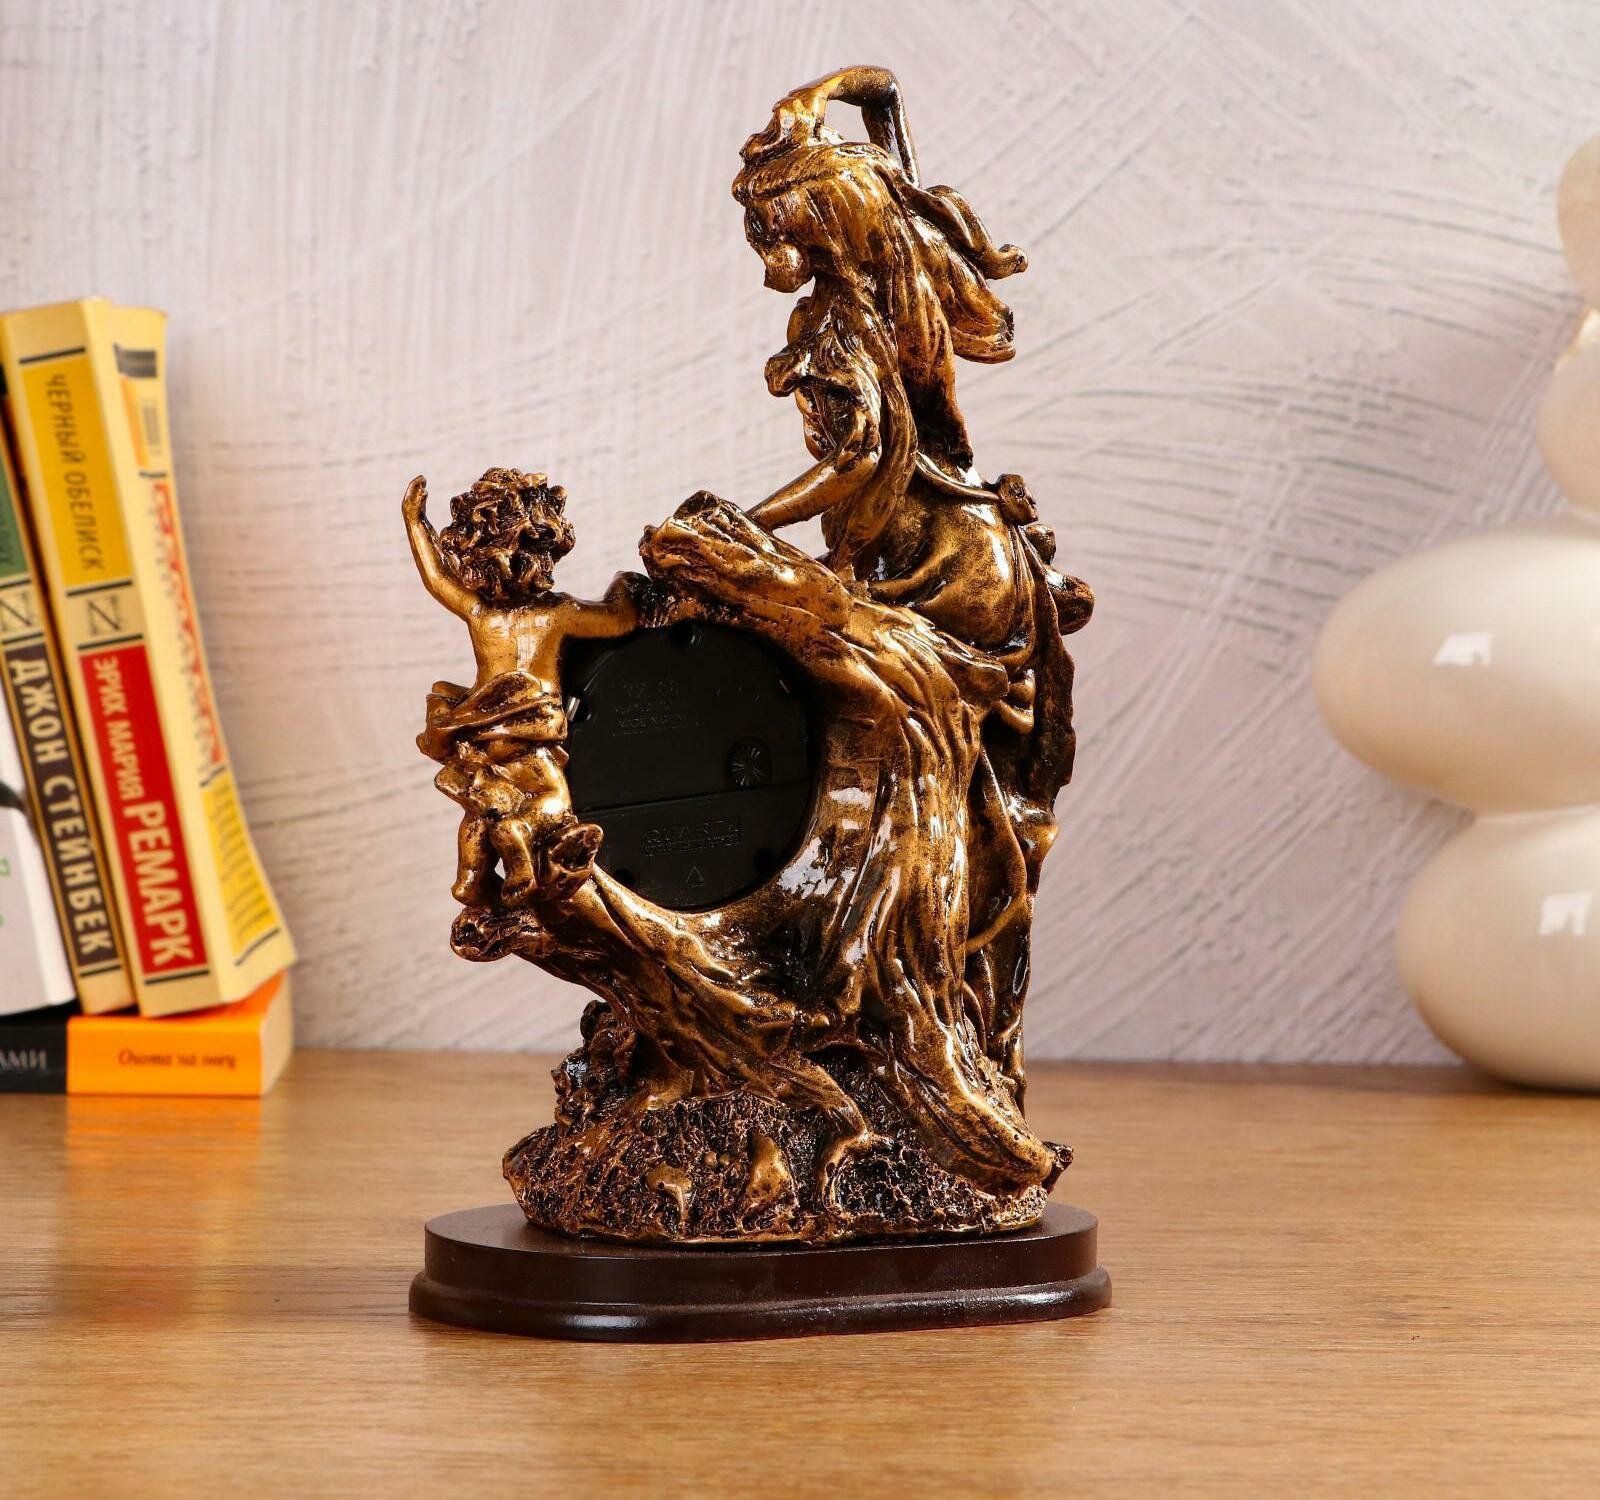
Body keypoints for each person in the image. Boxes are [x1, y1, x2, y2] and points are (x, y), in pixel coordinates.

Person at [403, 467, 643, 905]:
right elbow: (621, 620)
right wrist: (626, 585)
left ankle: (471, 879)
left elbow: (437, 579)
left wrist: (415, 521)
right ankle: (519, 839)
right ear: (545, 550)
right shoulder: (558, 614)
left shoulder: (480, 613)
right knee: (550, 798)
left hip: (482, 734)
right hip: (531, 736)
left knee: (483, 806)